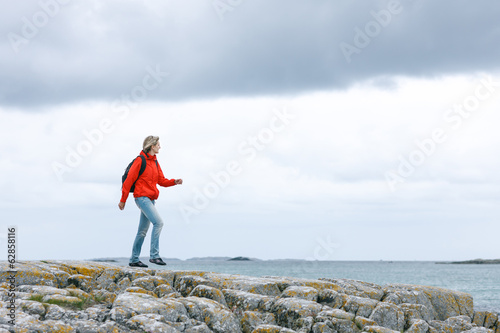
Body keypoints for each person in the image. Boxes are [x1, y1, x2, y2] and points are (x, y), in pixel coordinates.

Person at [119, 135, 182, 268]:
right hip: (141, 197)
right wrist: (123, 200)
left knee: (142, 231)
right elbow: (128, 181)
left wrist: (174, 182)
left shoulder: (155, 162)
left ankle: (134, 259)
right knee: (159, 222)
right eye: (158, 144)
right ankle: (154, 256)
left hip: (151, 199)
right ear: (152, 146)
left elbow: (161, 180)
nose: (160, 147)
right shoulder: (140, 160)